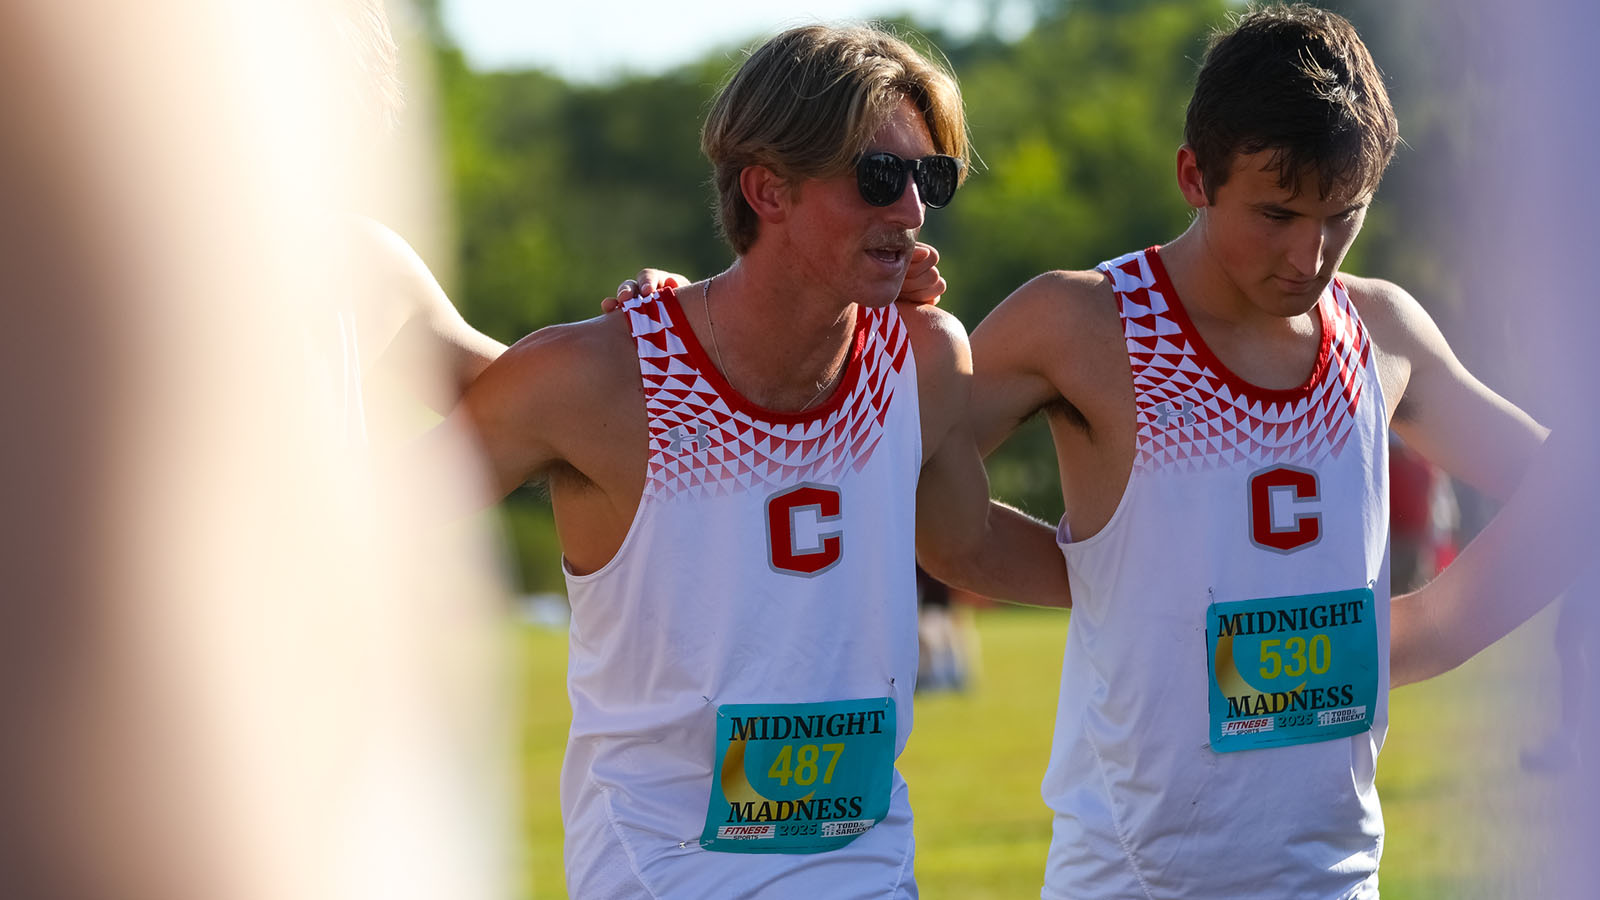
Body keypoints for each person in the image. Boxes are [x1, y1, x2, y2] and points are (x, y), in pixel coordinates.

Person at [428, 23, 1067, 898]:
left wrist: (1160, 571)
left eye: (932, 178)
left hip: (872, 873)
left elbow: (962, 545)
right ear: (767, 189)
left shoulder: (925, 357)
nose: (913, 210)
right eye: (881, 177)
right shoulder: (593, 379)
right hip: (666, 876)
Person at [957, 5, 1551, 896]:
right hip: (1132, 881)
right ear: (1195, 174)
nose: (1308, 254)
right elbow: (889, 473)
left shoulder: (1381, 331)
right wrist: (1089, 574)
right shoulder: (1082, 323)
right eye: (1275, 213)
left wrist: (1436, 629)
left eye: (1341, 215)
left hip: (1338, 876)